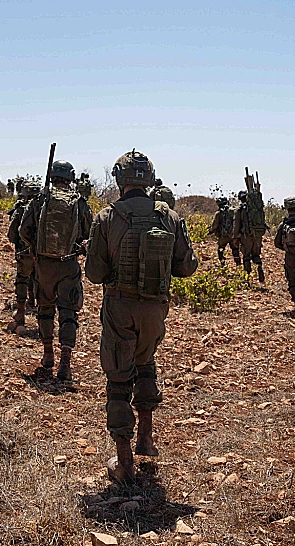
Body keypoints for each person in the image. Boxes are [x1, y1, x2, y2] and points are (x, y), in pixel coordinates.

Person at [85, 150, 198, 483]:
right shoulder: (169, 216)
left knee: (119, 377)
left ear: (119, 179)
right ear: (149, 179)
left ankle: (124, 462)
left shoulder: (107, 217)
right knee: (146, 362)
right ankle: (146, 438)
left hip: (120, 306)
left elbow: (94, 274)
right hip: (155, 308)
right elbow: (187, 267)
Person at [19, 160, 92, 381]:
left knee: (45, 308)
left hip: (44, 265)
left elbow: (23, 230)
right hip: (68, 264)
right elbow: (89, 233)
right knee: (68, 312)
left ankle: (48, 353)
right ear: (71, 178)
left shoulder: (40, 199)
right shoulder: (79, 202)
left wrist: (35, 249)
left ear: (52, 177)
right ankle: (65, 363)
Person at [7, 180, 40, 332]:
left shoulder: (21, 209)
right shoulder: (46, 209)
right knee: (39, 281)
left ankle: (20, 313)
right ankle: (41, 315)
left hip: (25, 252)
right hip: (42, 254)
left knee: (22, 279)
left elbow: (12, 235)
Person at [232, 190, 265, 283]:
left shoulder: (239, 210)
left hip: (246, 236)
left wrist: (235, 238)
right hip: (257, 235)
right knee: (256, 255)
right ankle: (259, 268)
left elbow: (236, 225)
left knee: (246, 256)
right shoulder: (256, 208)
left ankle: (247, 277)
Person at [209, 197, 240, 266]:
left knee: (220, 249)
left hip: (224, 236)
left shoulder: (219, 213)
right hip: (233, 235)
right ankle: (238, 264)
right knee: (235, 249)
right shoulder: (233, 211)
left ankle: (222, 264)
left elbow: (214, 226)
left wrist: (210, 231)